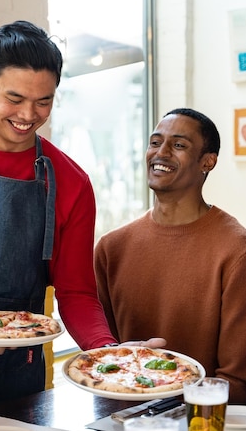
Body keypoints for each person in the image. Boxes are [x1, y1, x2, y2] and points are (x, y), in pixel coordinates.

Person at [0, 20, 164, 409]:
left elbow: (75, 292)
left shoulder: (72, 182)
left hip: (21, 367)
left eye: (44, 101)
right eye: (14, 98)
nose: (28, 114)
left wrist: (109, 353)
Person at [94, 108, 246, 403]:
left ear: (207, 162)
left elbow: (237, 381)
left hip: (202, 428)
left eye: (178, 145)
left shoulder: (236, 251)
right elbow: (102, 357)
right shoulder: (111, 248)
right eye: (155, 142)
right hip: (116, 422)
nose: (161, 153)